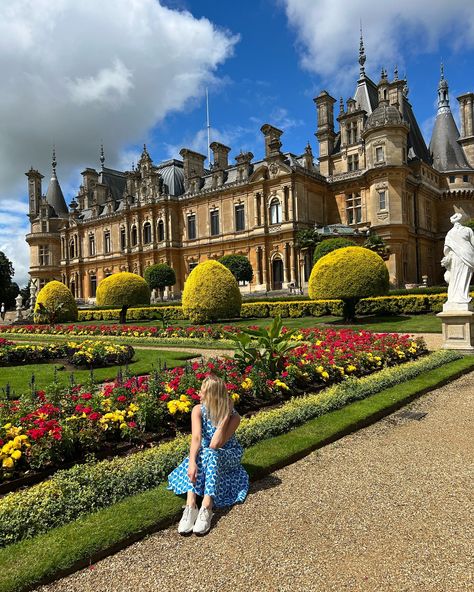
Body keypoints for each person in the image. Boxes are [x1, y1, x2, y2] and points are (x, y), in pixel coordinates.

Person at [167, 374, 249, 535]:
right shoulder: (197, 410)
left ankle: (206, 506)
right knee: (201, 454)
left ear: (212, 395)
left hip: (228, 455)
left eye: (203, 391)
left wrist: (225, 416)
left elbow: (215, 444)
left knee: (211, 453)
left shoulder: (234, 417)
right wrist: (191, 462)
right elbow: (196, 438)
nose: (199, 394)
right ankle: (191, 505)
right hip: (206, 454)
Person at [441, 212, 474, 308]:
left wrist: (448, 257)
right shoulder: (468, 230)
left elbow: (446, 249)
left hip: (456, 257)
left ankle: (454, 298)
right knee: (464, 278)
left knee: (455, 278)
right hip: (467, 256)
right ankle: (462, 298)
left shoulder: (450, 233)